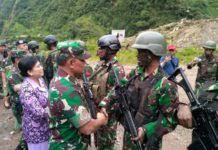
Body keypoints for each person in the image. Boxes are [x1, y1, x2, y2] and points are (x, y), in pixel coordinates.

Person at [48, 41, 108, 150]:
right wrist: (103, 117)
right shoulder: (65, 88)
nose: (85, 63)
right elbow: (87, 128)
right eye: (82, 60)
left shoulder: (63, 80)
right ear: (71, 63)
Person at [89, 34, 125, 149]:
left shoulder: (117, 69)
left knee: (106, 143)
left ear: (111, 50)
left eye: (101, 48)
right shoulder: (100, 65)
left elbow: (117, 91)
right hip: (96, 111)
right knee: (98, 141)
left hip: (107, 114)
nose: (99, 51)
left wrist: (104, 105)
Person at [18, 56, 50, 150]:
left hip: (46, 127)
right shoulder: (26, 90)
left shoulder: (40, 80)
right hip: (36, 132)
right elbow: (39, 112)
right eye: (38, 66)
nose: (42, 68)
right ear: (30, 72)